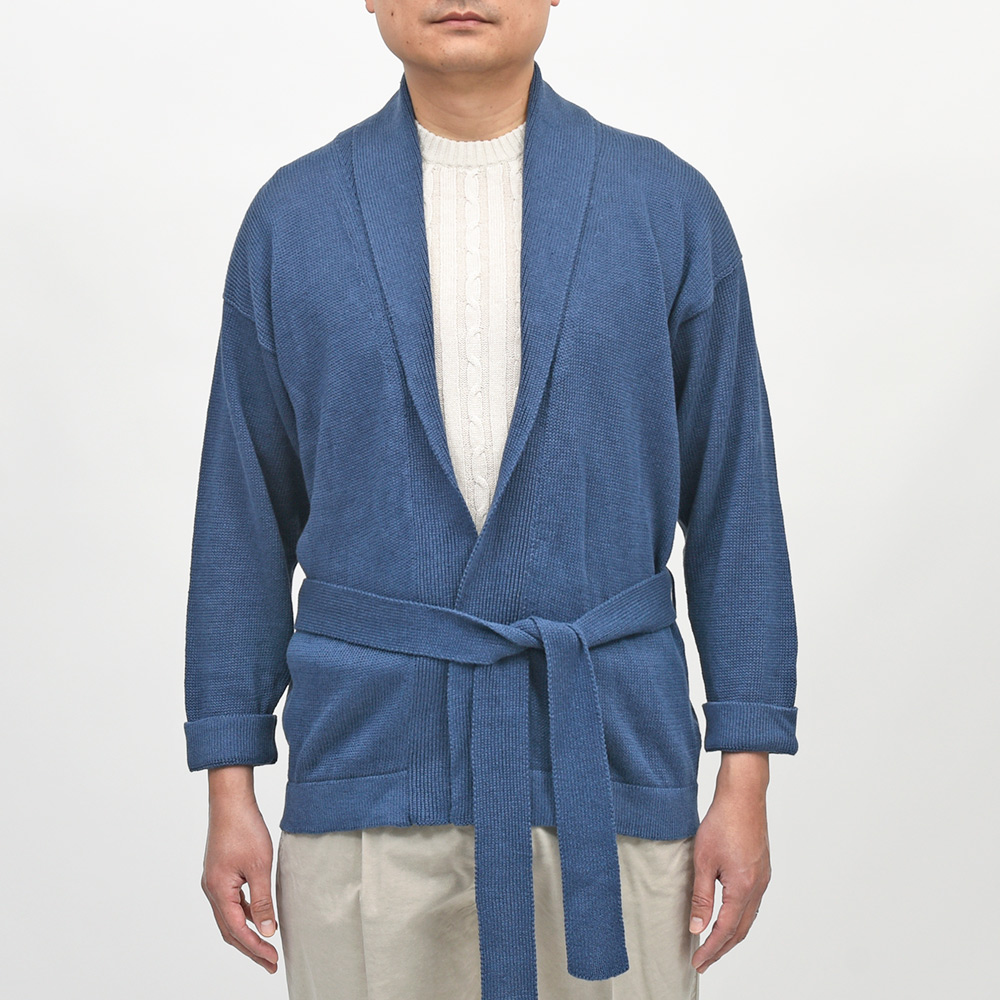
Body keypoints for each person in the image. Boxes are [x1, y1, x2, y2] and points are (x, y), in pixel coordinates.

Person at [183, 3, 799, 999]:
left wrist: (747, 767)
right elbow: (241, 521)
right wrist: (230, 782)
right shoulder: (292, 223)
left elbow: (738, 503)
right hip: (366, 764)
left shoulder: (664, 207)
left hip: (607, 761)